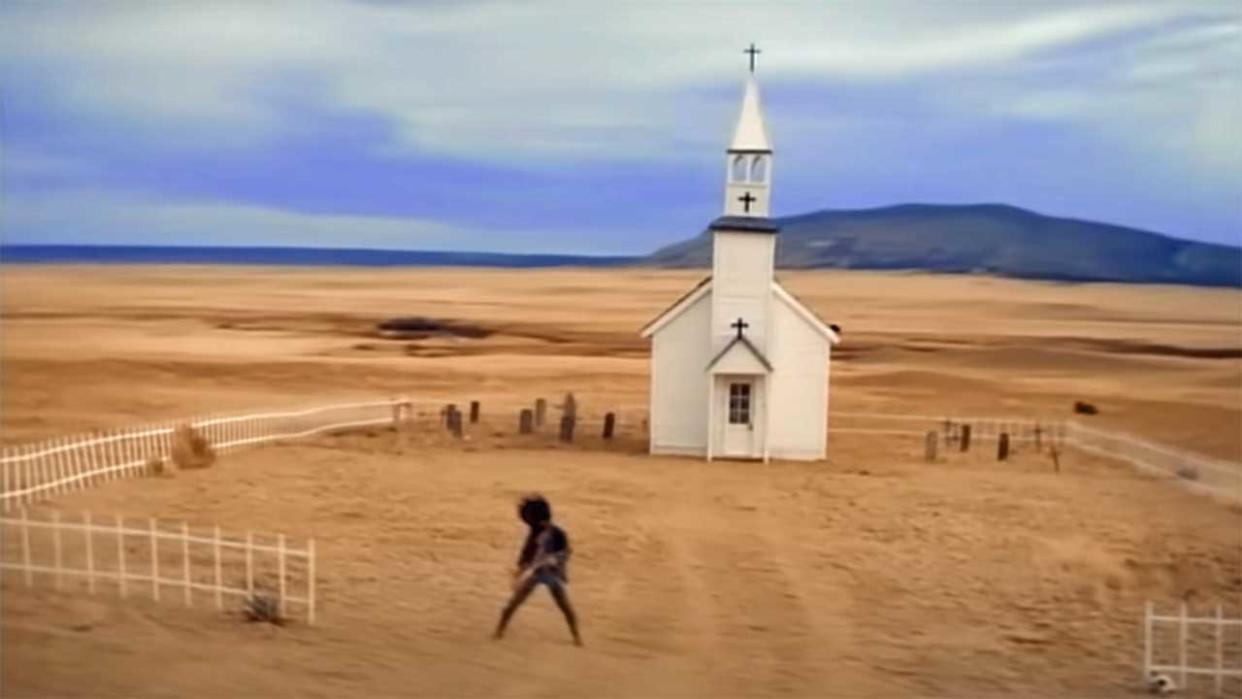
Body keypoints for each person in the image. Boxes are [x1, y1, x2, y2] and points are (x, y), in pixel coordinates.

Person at [492, 494, 582, 646]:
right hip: (540, 572)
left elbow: (563, 552)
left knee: (563, 607)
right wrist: (521, 570)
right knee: (515, 603)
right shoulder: (541, 532)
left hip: (550, 573)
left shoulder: (551, 533)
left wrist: (554, 562)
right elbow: (527, 553)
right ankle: (499, 630)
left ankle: (576, 636)